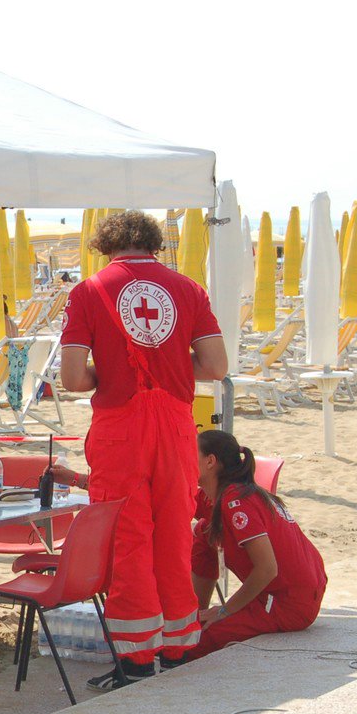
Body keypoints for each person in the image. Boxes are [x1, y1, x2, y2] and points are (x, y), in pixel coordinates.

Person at [60, 211, 227, 688]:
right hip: (176, 421)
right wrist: (171, 365)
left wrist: (109, 375)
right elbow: (215, 366)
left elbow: (72, 379)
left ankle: (136, 660)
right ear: (154, 244)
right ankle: (179, 647)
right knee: (175, 531)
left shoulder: (89, 291)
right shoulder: (189, 289)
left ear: (104, 245)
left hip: (120, 423)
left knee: (127, 539)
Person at [188, 430, 326, 658]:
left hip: (290, 602)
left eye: (190, 453)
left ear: (210, 461)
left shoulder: (236, 501)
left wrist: (224, 611)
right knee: (204, 530)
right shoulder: (227, 493)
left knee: (200, 640)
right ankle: (195, 612)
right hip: (299, 587)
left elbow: (267, 569)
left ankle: (199, 622)